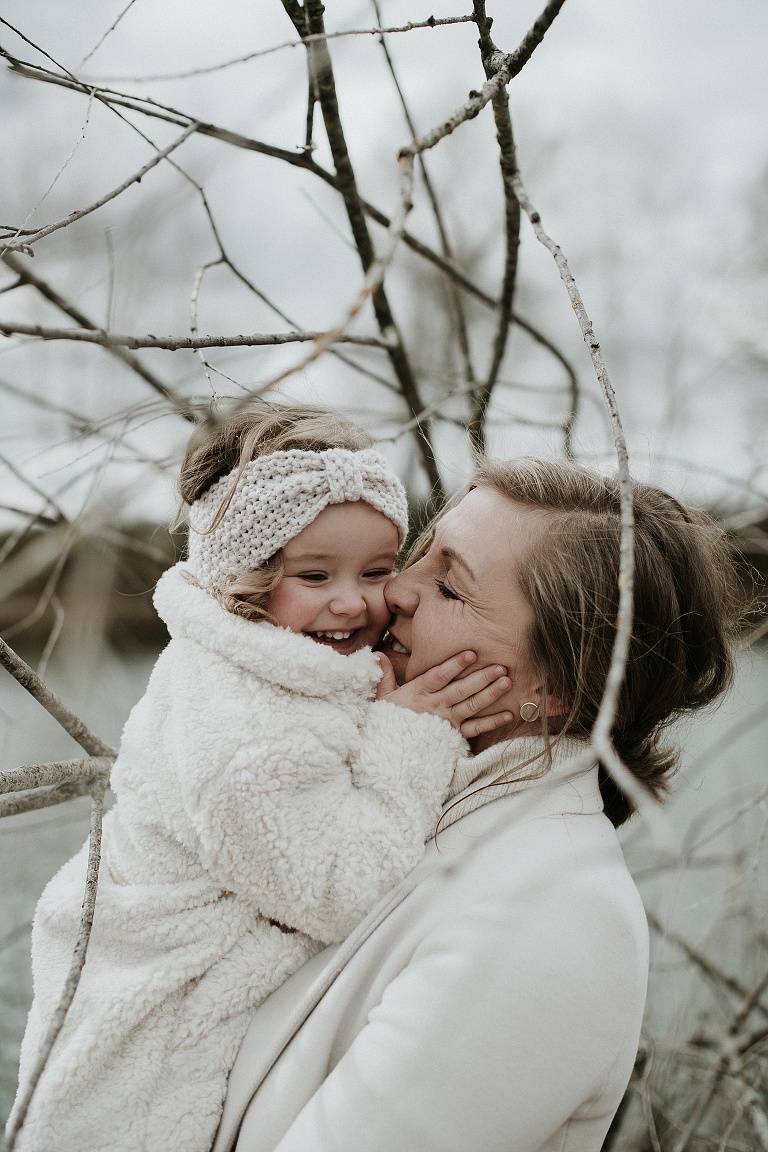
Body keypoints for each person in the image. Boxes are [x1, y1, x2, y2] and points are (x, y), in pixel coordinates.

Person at [7, 405, 513, 1152]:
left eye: (377, 571)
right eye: (315, 575)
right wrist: (411, 734)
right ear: (243, 576)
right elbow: (341, 889)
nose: (354, 601)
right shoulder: (242, 740)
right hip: (165, 992)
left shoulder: (271, 657)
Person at [213, 457, 742, 1152]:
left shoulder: (556, 916)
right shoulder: (372, 802)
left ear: (556, 688)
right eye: (420, 552)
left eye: (449, 587)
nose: (395, 589)